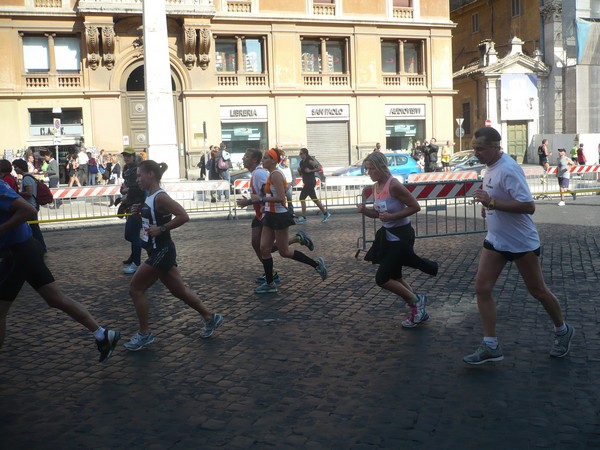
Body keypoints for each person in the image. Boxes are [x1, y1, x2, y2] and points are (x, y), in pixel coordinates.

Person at [464, 126, 574, 364]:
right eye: (474, 148)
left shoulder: (509, 169)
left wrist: (491, 202)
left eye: (480, 148)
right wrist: (488, 206)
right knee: (482, 289)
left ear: (495, 147)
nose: (476, 153)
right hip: (496, 240)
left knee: (538, 291)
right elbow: (499, 199)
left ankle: (563, 330)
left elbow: (528, 206)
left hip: (521, 242)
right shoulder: (490, 167)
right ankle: (491, 344)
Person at [0, 179, 120, 362]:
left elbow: (29, 210)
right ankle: (102, 334)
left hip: (19, 253)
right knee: (55, 298)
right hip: (24, 250)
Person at [122, 160, 223, 350]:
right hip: (157, 250)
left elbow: (183, 215)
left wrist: (162, 228)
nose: (137, 179)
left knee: (135, 289)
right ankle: (210, 317)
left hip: (162, 250)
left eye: (139, 175)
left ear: (151, 174)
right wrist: (137, 214)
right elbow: (148, 224)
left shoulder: (160, 196)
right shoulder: (150, 196)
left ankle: (144, 334)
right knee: (179, 291)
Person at [357, 151, 438, 328]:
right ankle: (418, 306)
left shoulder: (393, 185)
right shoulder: (375, 187)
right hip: (388, 236)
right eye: (367, 169)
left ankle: (416, 302)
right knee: (395, 276)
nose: (368, 172)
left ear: (380, 167)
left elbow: (415, 206)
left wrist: (393, 217)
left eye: (371, 169)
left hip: (402, 236)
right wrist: (364, 210)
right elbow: (378, 214)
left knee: (382, 278)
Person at [250, 148, 328, 294]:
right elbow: (271, 196)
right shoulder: (270, 174)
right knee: (264, 249)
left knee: (284, 252)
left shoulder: (276, 175)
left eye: (266, 158)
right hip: (270, 215)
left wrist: (260, 199)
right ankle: (270, 283)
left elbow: (280, 197)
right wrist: (262, 205)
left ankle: (316, 265)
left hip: (279, 217)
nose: (263, 160)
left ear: (274, 160)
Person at [236, 148, 315, 286]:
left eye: (246, 156)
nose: (243, 158)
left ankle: (271, 276)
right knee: (258, 244)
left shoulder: (261, 173)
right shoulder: (258, 173)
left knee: (270, 248)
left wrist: (250, 201)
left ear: (254, 160)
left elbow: (271, 195)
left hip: (269, 214)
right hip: (262, 213)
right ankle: (270, 275)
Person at [11, 158, 47, 253]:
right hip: (33, 205)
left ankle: (41, 248)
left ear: (20, 168)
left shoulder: (26, 178)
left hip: (31, 205)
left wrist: (17, 193)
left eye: (15, 167)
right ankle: (40, 247)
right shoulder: (29, 177)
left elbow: (29, 193)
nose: (15, 170)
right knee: (34, 228)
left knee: (34, 228)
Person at [119, 148, 145, 274]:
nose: (126, 158)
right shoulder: (127, 169)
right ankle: (134, 256)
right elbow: (124, 187)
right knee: (131, 234)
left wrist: (126, 190)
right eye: (124, 156)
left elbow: (138, 187)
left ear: (134, 157)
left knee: (132, 235)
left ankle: (136, 263)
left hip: (138, 205)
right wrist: (123, 191)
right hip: (130, 204)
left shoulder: (137, 170)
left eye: (128, 156)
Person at [297, 147, 331, 223]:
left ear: (305, 154)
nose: (300, 155)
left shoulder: (310, 161)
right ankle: (325, 213)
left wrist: (311, 171)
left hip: (310, 182)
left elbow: (319, 168)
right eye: (299, 153)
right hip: (306, 182)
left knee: (302, 198)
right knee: (314, 199)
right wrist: (299, 171)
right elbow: (302, 173)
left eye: (301, 153)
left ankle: (303, 216)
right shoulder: (301, 162)